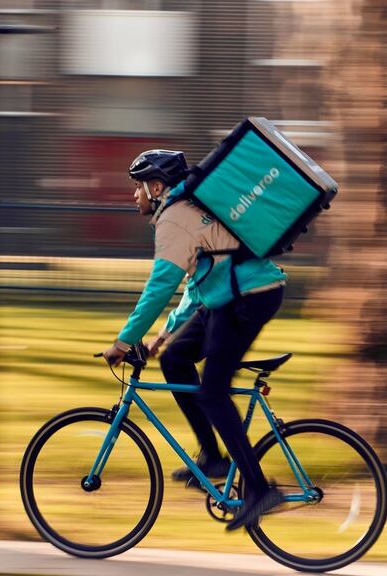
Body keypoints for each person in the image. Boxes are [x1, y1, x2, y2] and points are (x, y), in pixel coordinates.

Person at [101, 150, 287, 531]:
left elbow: (160, 285)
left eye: (138, 187)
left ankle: (259, 489)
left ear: (156, 187)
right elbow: (200, 279)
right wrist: (164, 335)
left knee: (214, 392)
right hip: (230, 296)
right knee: (174, 360)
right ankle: (213, 457)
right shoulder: (185, 209)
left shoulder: (174, 218)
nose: (134, 195)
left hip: (249, 297)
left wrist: (123, 342)